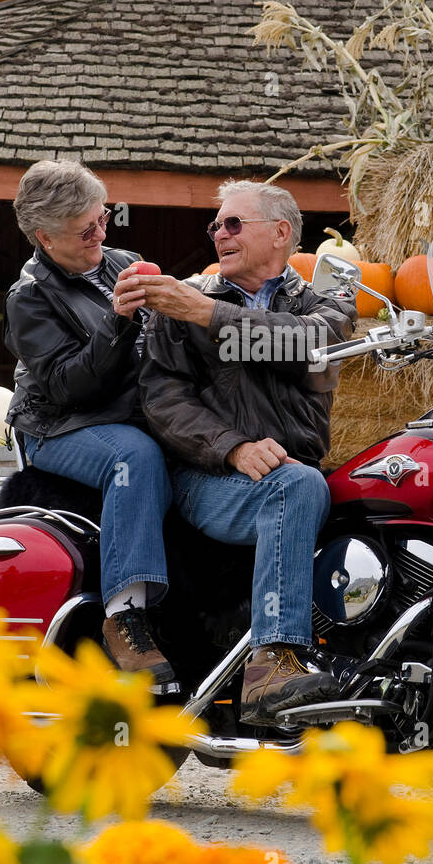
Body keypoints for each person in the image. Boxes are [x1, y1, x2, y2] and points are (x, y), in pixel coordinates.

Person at [127, 179, 357, 726]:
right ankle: (270, 665)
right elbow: (162, 400)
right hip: (207, 476)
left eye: (233, 224)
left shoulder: (326, 304)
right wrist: (233, 448)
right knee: (300, 485)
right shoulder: (182, 299)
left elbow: (310, 350)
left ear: (281, 233)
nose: (218, 235)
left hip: (288, 472)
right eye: (216, 226)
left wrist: (208, 315)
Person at [4, 159, 174, 683]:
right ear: (46, 239)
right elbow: (70, 388)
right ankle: (123, 617)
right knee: (134, 456)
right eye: (86, 229)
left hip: (124, 413)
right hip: (56, 427)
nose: (101, 233)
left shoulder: (124, 261)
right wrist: (118, 324)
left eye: (103, 218)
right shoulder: (28, 297)